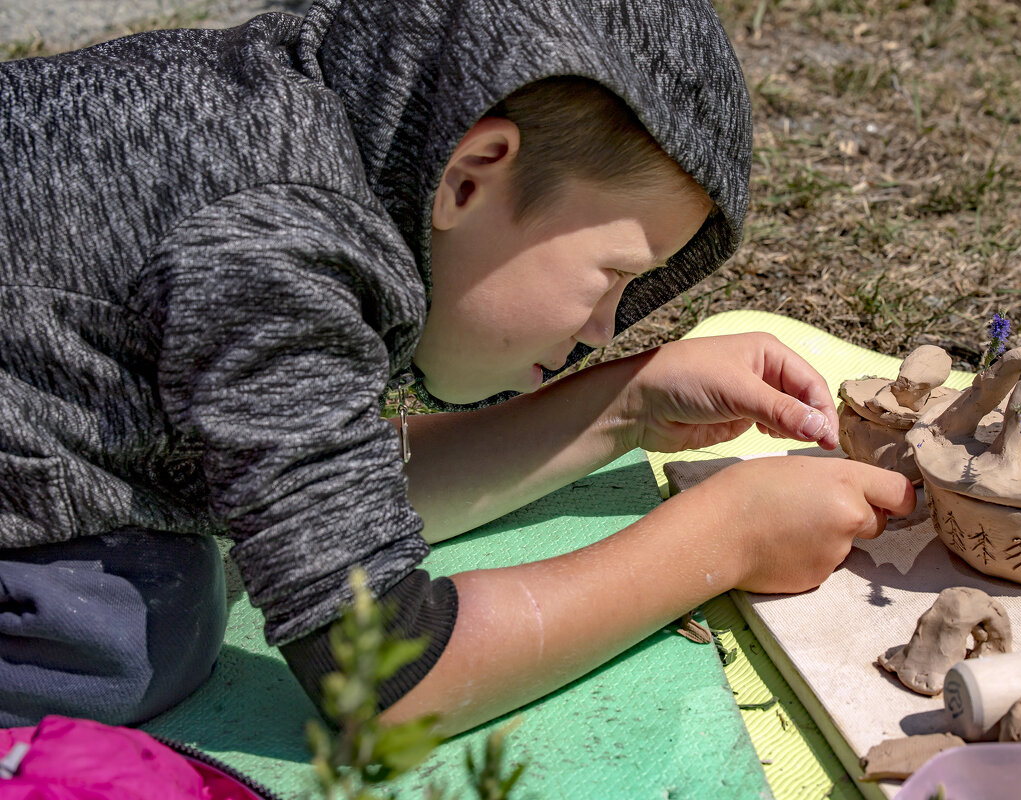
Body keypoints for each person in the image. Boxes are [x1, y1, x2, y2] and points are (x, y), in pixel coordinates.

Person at [0, 0, 915, 734]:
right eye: (614, 276)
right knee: (132, 620)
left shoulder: (314, 129)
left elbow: (334, 499)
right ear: (472, 173)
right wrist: (727, 537)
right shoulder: (281, 251)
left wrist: (622, 408)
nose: (606, 328)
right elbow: (386, 675)